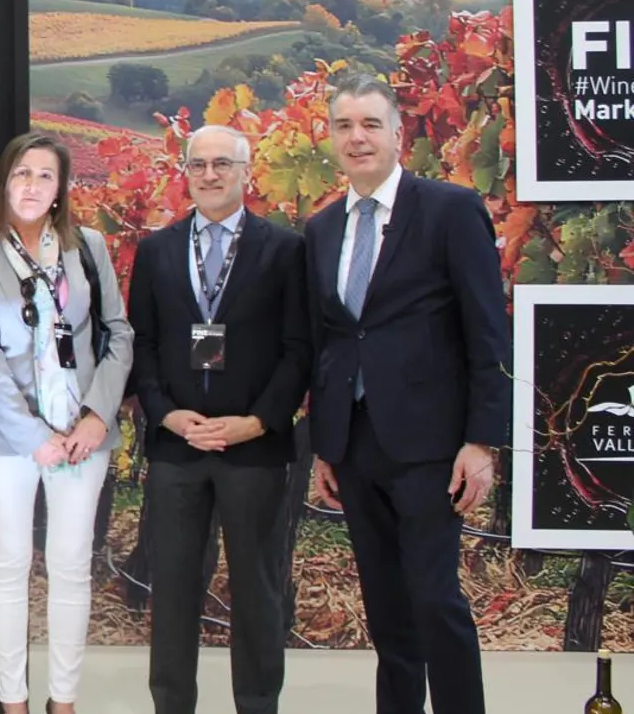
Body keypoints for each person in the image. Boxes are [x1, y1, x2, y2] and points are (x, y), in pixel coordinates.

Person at [305, 74, 509, 714]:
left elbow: (486, 329)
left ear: (399, 133)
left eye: (370, 124)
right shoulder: (320, 230)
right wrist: (323, 446)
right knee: (387, 611)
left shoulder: (448, 209)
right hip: (354, 444)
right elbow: (328, 342)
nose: (357, 137)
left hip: (429, 445)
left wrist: (481, 440)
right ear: (332, 140)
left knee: (434, 600)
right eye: (344, 126)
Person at [129, 125, 310, 714]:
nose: (210, 175)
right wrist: (167, 416)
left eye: (223, 165)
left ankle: (258, 704)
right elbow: (145, 344)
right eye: (199, 164)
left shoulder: (285, 249)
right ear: (185, 171)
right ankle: (171, 704)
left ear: (246, 172)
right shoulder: (157, 250)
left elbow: (298, 349)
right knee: (174, 589)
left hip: (252, 449)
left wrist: (257, 422)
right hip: (178, 448)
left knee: (257, 589)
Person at [0, 131, 132, 714]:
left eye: (44, 175)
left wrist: (95, 417)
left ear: (61, 187)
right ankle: (13, 702)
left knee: (69, 566)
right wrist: (35, 437)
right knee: (8, 564)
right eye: (21, 173)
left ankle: (63, 702)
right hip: (7, 439)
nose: (31, 185)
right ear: (4, 183)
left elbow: (119, 334)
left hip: (83, 435)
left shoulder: (88, 247)